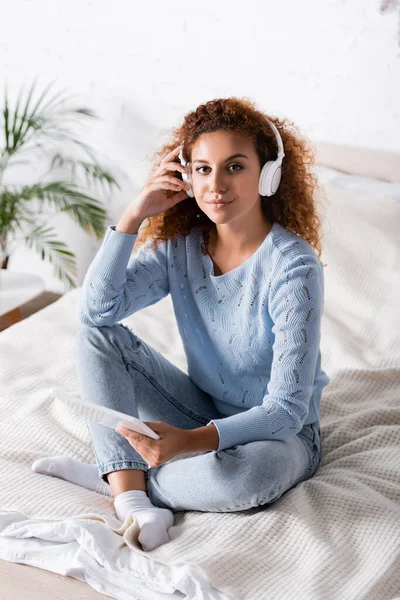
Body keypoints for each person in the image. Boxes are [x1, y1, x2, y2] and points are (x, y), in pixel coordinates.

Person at [32, 96, 330, 552]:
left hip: (281, 435)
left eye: (234, 167)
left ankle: (121, 480)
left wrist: (190, 442)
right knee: (98, 338)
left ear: (267, 174)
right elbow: (96, 313)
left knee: (247, 476)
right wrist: (133, 216)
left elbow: (286, 411)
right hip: (201, 406)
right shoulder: (181, 247)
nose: (216, 185)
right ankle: (130, 493)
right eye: (203, 169)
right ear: (186, 175)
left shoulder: (294, 266)